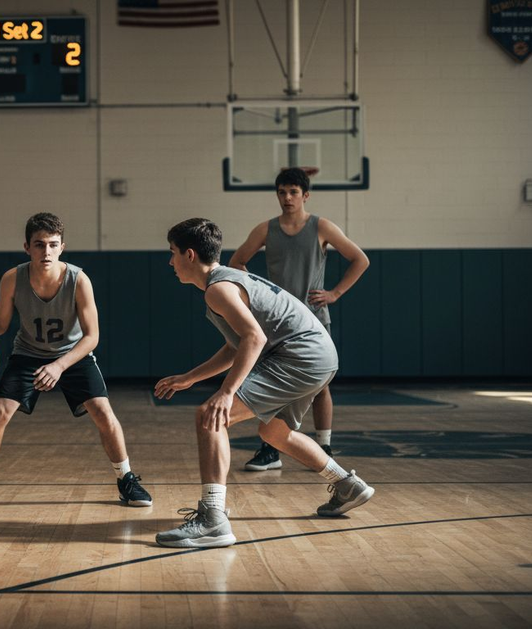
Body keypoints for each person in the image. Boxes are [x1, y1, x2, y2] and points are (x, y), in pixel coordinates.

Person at [153, 218, 373, 548]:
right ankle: (346, 485)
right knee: (274, 433)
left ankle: (213, 518)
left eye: (171, 253)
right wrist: (190, 377)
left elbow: (254, 338)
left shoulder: (218, 289)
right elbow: (237, 345)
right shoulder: (227, 282)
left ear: (189, 254)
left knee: (210, 416)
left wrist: (226, 394)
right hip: (320, 354)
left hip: (300, 354)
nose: (170, 262)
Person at [0, 213, 152, 509]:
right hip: (28, 354)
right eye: (39, 245)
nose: (46, 252)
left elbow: (92, 337)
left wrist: (59, 365)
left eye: (53, 245)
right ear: (26, 247)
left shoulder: (78, 280)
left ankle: (126, 479)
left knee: (103, 413)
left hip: (72, 356)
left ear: (62, 246)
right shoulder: (13, 279)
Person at [228, 168, 369, 471]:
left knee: (321, 386)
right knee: (273, 382)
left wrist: (335, 293)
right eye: (282, 192)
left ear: (305, 196)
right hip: (277, 322)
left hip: (314, 318)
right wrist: (257, 291)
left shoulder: (321, 227)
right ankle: (270, 450)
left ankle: (324, 444)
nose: (287, 198)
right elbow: (236, 262)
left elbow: (361, 259)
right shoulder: (265, 229)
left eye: (293, 192)